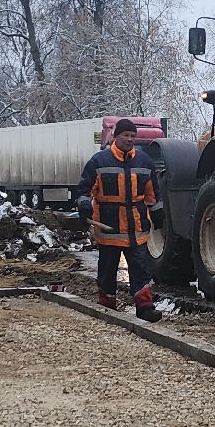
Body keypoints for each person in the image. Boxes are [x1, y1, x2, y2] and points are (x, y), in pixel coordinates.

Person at [77, 119, 161, 321]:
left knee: (141, 271)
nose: (130, 139)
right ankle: (107, 306)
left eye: (133, 136)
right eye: (126, 135)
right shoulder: (99, 161)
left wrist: (158, 212)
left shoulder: (144, 162)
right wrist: (84, 205)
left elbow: (153, 193)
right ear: (116, 136)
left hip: (137, 230)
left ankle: (145, 308)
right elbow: (85, 189)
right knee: (107, 271)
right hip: (109, 229)